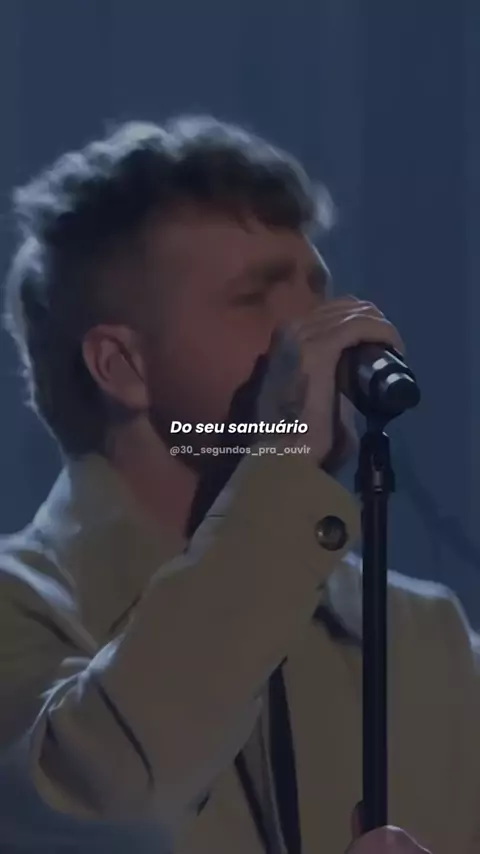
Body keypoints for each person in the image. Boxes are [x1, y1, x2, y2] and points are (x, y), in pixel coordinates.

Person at [0, 116, 478, 854]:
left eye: (317, 287)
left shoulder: (427, 639)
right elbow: (108, 805)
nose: (319, 327)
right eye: (255, 298)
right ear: (121, 366)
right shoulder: (20, 612)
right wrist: (279, 461)